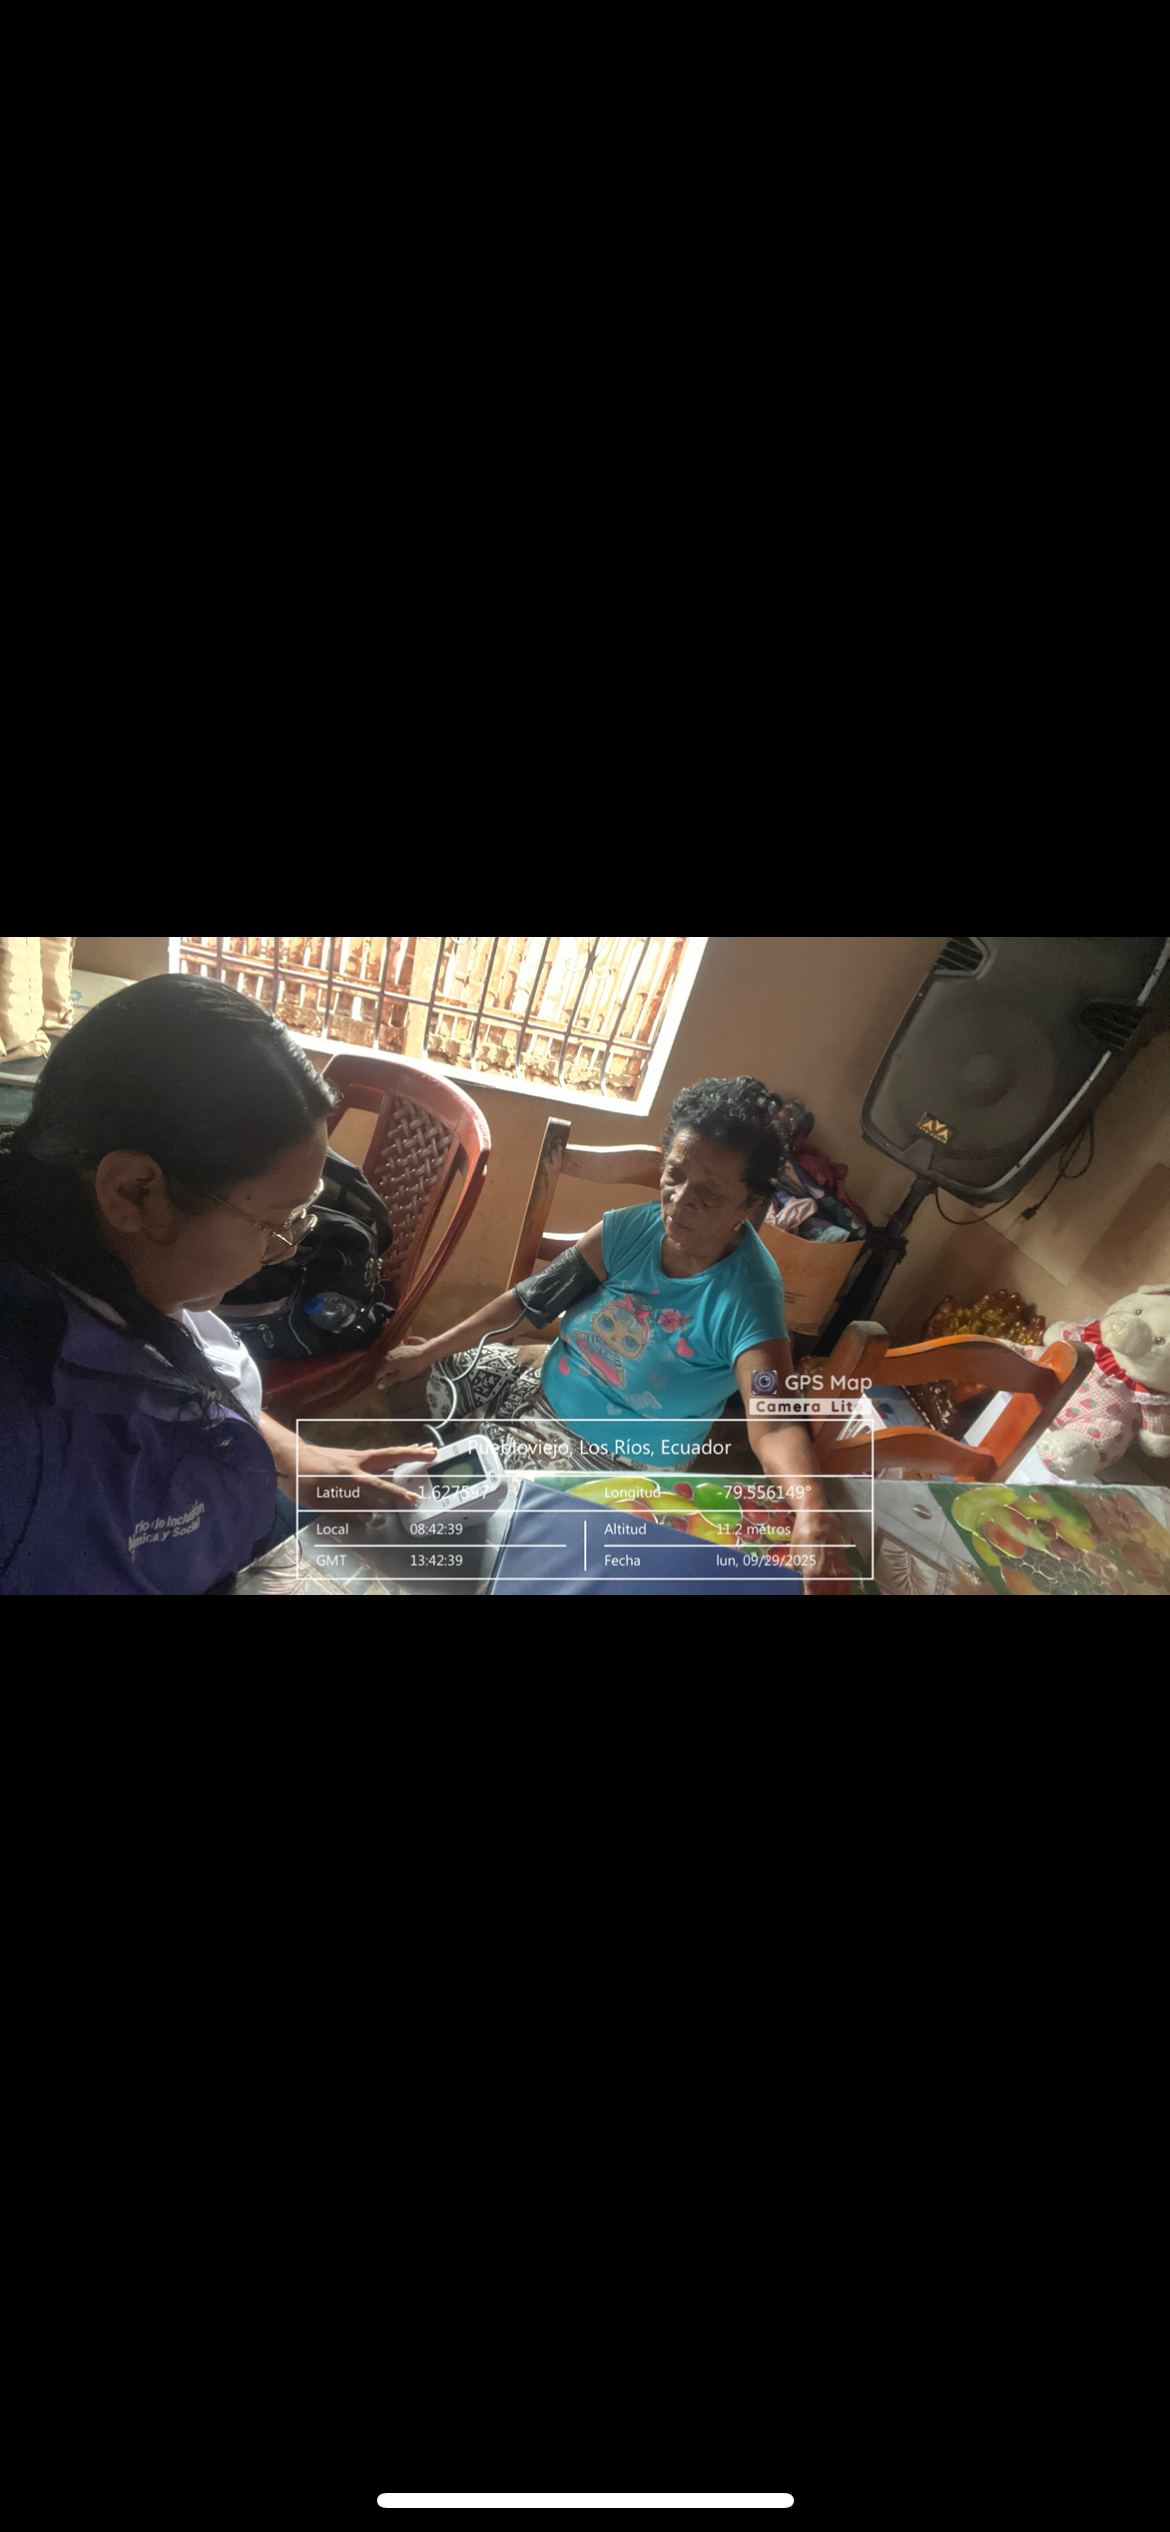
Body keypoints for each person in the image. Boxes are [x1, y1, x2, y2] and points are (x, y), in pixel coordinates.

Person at [0, 975, 434, 1594]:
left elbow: (177, 1378)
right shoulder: (25, 1443)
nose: (286, 1248)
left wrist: (290, 1455)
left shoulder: (113, 1266)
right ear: (134, 1192)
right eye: (272, 1223)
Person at [375, 1076, 852, 1587]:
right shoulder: (631, 1230)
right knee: (410, 1382)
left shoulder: (750, 1298)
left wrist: (812, 1507)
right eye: (674, 1176)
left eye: (710, 1194)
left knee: (464, 1517)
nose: (680, 1201)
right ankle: (481, 1476)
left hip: (613, 1452)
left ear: (750, 1206)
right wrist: (430, 1350)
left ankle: (491, 1502)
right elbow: (531, 1301)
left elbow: (775, 1425)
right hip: (541, 1383)